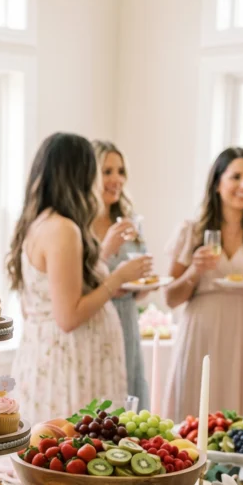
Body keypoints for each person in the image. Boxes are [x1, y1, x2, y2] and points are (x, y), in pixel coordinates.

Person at [8, 132, 152, 422]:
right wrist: (116, 278)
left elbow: (53, 295)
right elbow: (68, 316)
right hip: (69, 367)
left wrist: (102, 261)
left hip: (56, 358)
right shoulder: (63, 229)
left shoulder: (42, 223)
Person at [163, 147, 243, 419]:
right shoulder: (193, 231)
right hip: (204, 333)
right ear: (217, 183)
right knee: (197, 416)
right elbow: (171, 298)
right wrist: (195, 270)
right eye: (236, 177)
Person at [92, 140, 149, 408]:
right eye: (107, 172)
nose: (117, 179)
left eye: (120, 171)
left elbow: (140, 287)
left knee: (129, 391)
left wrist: (143, 282)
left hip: (126, 318)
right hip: (95, 319)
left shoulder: (128, 221)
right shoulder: (78, 225)